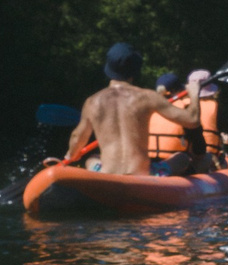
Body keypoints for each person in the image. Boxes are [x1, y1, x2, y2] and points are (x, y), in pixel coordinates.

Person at [59, 44, 207, 176]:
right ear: (135, 71)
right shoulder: (147, 97)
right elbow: (192, 121)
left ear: (108, 69)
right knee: (182, 158)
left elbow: (77, 137)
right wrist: (194, 94)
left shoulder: (92, 102)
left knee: (91, 160)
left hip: (107, 175)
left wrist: (70, 156)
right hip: (144, 175)